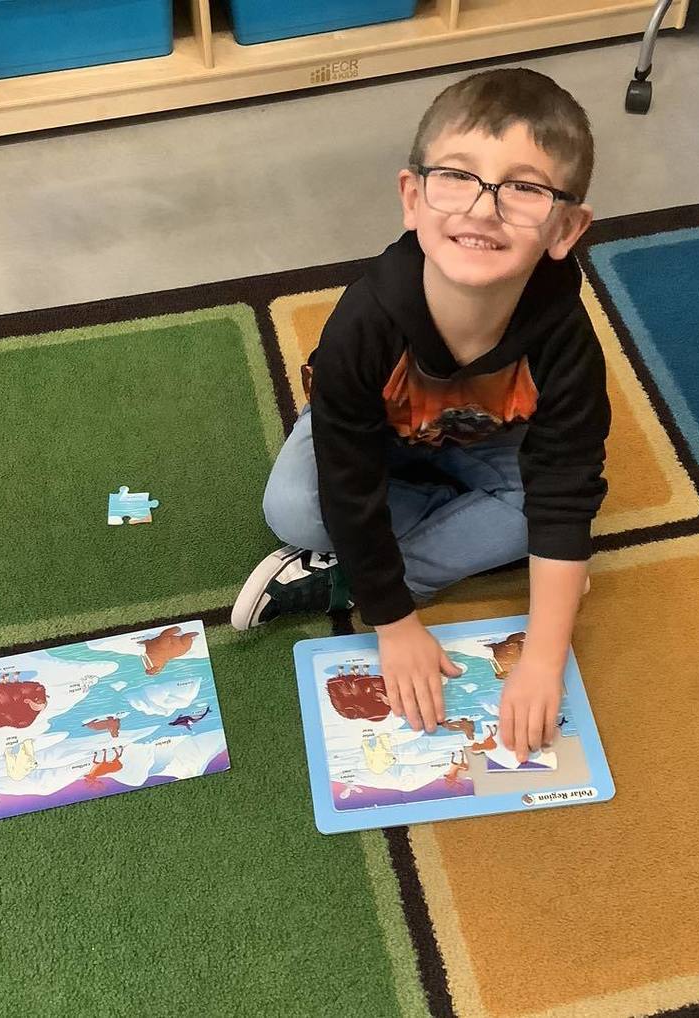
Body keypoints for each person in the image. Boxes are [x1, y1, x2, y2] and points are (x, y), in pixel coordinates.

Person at [231, 68, 610, 763]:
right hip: (376, 447)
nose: (483, 208)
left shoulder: (567, 341)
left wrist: (543, 658)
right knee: (292, 510)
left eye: (524, 188)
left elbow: (564, 489)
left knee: (559, 521)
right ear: (412, 198)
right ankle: (432, 541)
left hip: (485, 446)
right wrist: (396, 624)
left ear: (565, 228)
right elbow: (347, 478)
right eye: (457, 177)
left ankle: (348, 571)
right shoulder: (366, 322)